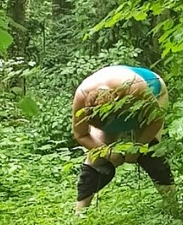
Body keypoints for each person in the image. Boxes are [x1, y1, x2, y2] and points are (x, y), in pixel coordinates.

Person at [72, 65, 175, 213]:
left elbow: (156, 120)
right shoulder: (81, 96)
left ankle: (173, 207)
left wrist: (138, 147)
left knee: (151, 151)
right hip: (114, 104)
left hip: (151, 91)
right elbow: (81, 135)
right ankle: (80, 213)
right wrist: (108, 153)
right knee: (97, 157)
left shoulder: (135, 88)